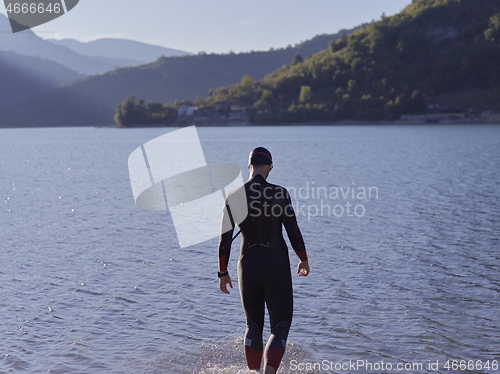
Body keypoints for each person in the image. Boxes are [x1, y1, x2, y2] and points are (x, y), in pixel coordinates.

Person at [217, 147, 310, 374]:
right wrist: (304, 260)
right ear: (269, 167)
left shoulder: (233, 196)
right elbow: (293, 232)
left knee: (253, 325)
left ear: (248, 166)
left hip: (246, 265)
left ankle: (253, 373)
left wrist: (222, 273)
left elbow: (224, 241)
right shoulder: (280, 193)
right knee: (280, 325)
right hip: (276, 265)